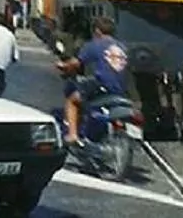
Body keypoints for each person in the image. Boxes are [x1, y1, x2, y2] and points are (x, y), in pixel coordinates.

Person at [55, 16, 129, 146]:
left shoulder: (94, 45)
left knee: (72, 100)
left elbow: (76, 63)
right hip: (120, 89)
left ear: (97, 31)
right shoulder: (123, 47)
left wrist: (63, 66)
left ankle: (72, 135)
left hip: (102, 86)